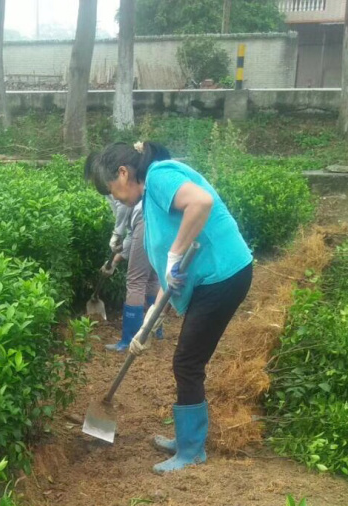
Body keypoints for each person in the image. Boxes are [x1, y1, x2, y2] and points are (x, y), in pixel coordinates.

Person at [93, 140, 253, 474]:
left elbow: (201, 202)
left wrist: (176, 253)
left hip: (223, 275)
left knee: (187, 362)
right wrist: (144, 328)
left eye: (112, 190)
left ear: (123, 173)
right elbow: (170, 280)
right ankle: (186, 441)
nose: (116, 198)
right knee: (187, 360)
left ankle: (192, 450)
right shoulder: (150, 197)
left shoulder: (159, 175)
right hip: (213, 279)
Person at [84, 151, 167, 351]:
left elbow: (128, 231)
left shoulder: (115, 190)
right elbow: (128, 233)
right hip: (154, 220)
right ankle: (157, 330)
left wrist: (117, 243)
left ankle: (130, 339)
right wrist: (115, 260)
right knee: (152, 277)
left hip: (142, 222)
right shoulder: (135, 185)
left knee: (135, 281)